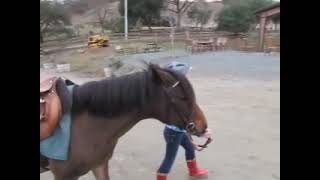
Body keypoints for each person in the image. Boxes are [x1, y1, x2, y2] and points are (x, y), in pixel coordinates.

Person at [157, 61, 212, 180]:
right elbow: (186, 120)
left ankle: (194, 171)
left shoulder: (176, 94)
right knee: (169, 158)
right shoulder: (177, 99)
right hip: (174, 132)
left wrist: (194, 139)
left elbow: (186, 123)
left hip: (178, 131)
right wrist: (202, 133)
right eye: (184, 76)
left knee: (190, 148)